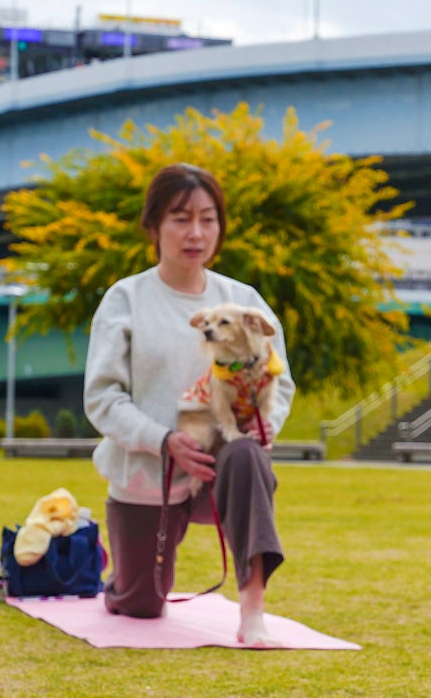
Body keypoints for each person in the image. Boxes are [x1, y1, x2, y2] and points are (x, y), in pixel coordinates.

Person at [83, 163, 292, 646]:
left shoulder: (243, 302)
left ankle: (253, 610)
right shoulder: (125, 299)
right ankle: (110, 568)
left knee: (248, 455)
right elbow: (102, 397)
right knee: (139, 605)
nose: (195, 232)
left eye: (207, 218)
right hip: (148, 472)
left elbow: (278, 384)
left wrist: (263, 426)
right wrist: (164, 441)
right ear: (154, 226)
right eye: (180, 218)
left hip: (223, 468)